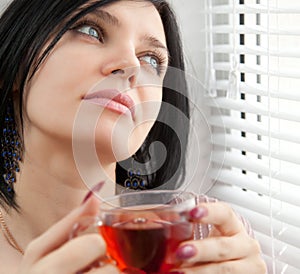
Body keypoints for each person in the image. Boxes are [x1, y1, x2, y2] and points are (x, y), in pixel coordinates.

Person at [0, 0, 267, 273]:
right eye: (91, 31)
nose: (131, 66)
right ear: (18, 59)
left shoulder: (208, 235)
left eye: (151, 60)